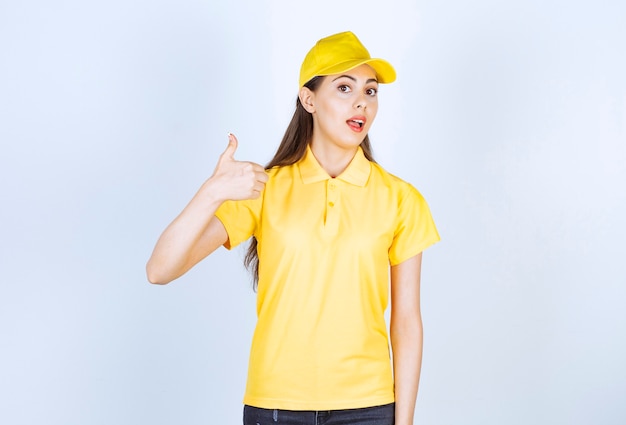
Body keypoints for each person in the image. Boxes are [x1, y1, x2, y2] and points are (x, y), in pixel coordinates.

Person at [146, 31, 440, 425]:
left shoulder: (401, 199)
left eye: (371, 91)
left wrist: (404, 422)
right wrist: (211, 192)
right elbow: (160, 270)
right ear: (309, 99)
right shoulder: (264, 189)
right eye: (344, 87)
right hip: (275, 406)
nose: (361, 102)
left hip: (368, 407)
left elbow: (406, 322)